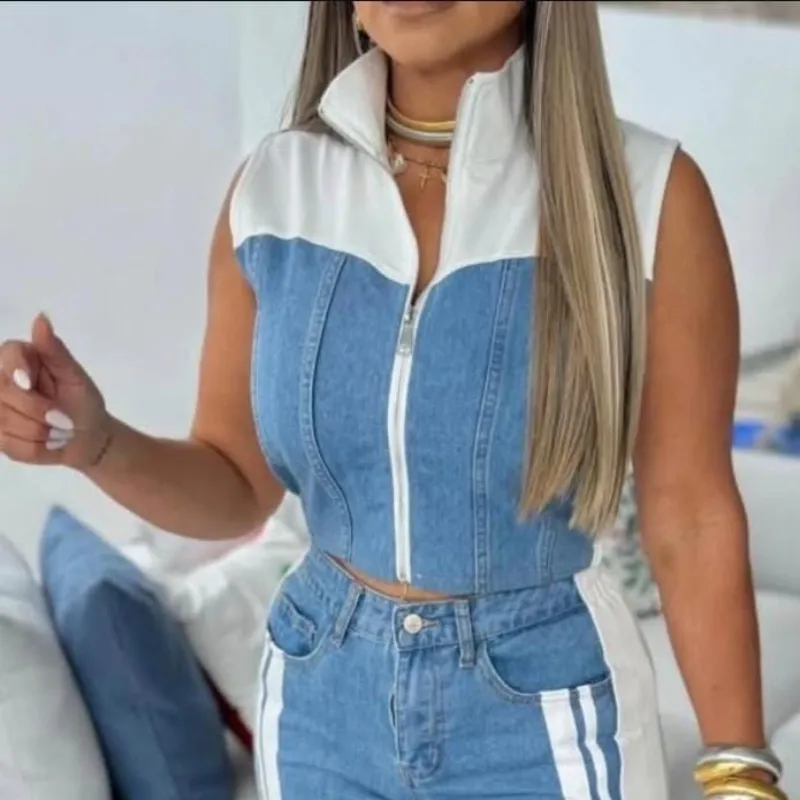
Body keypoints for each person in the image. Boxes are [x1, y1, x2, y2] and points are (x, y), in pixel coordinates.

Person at [0, 1, 786, 798]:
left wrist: (740, 773)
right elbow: (235, 484)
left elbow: (692, 514)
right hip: (319, 709)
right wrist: (94, 442)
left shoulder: (648, 197)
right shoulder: (274, 193)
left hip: (546, 706)